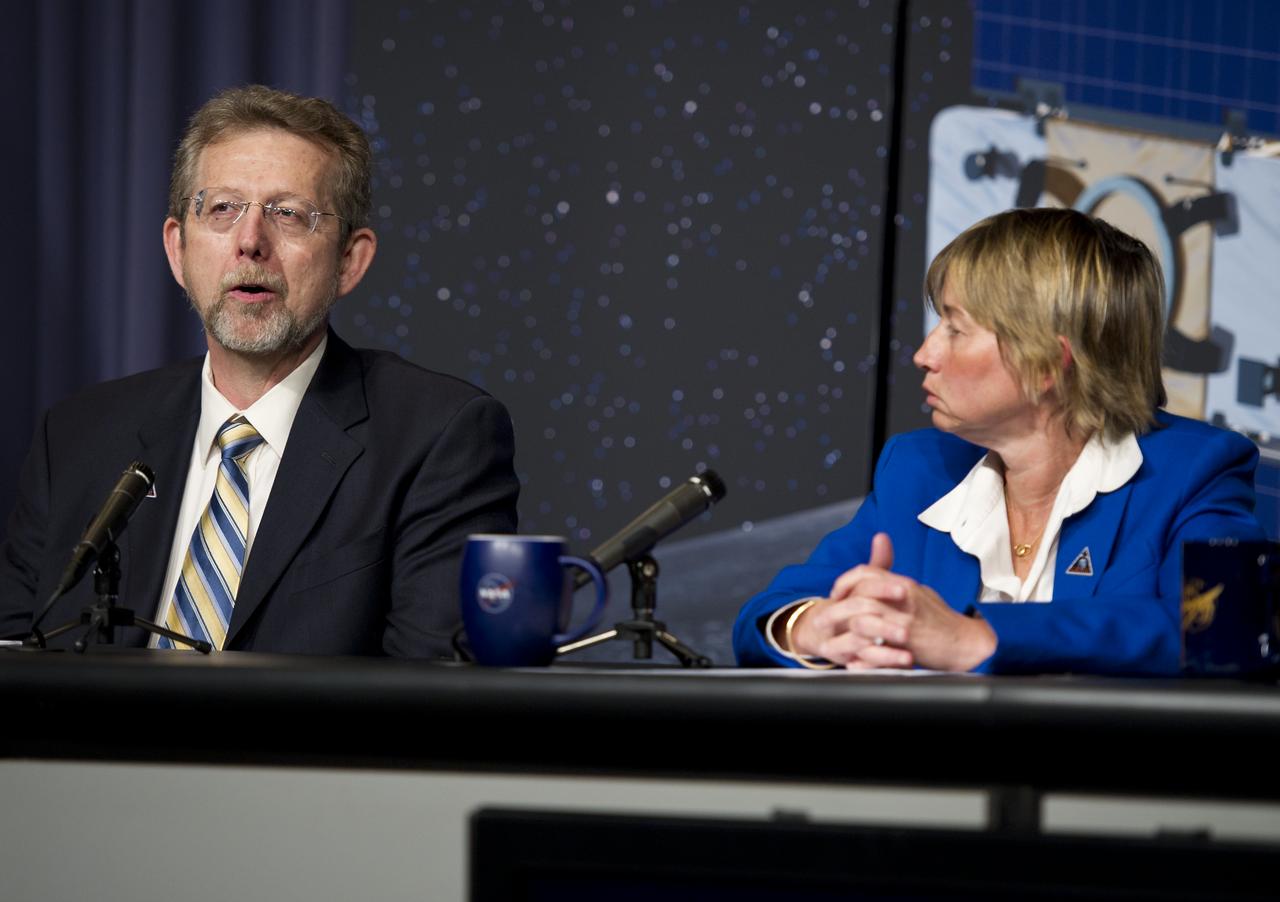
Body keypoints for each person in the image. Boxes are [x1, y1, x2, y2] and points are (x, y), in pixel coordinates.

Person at [0, 85, 519, 656]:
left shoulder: (438, 439)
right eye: (222, 209)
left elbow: (430, 701)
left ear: (350, 260)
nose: (250, 241)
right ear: (178, 250)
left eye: (290, 215)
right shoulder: (77, 437)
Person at [734, 208, 1263, 675]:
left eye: (955, 329)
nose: (924, 354)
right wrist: (814, 626)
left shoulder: (1195, 470)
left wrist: (978, 637)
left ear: (1048, 362)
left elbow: (1230, 630)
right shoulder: (919, 469)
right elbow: (772, 609)